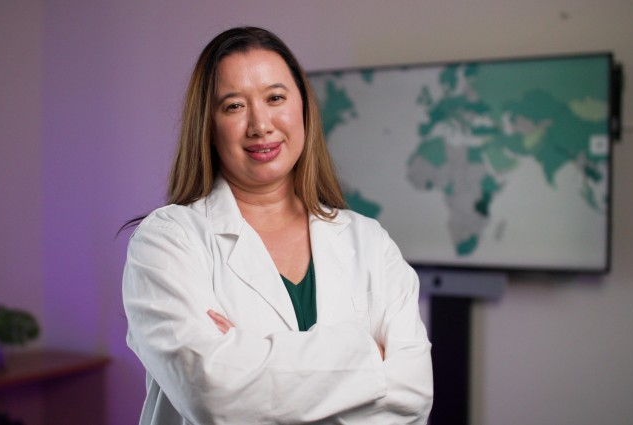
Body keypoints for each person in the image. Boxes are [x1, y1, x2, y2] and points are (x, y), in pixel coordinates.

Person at [122, 26, 433, 424]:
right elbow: (209, 393)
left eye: (275, 98)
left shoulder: (370, 241)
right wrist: (369, 356)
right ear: (208, 126)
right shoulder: (166, 240)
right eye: (234, 106)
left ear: (303, 107)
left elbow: (413, 393)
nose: (260, 125)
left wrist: (248, 358)